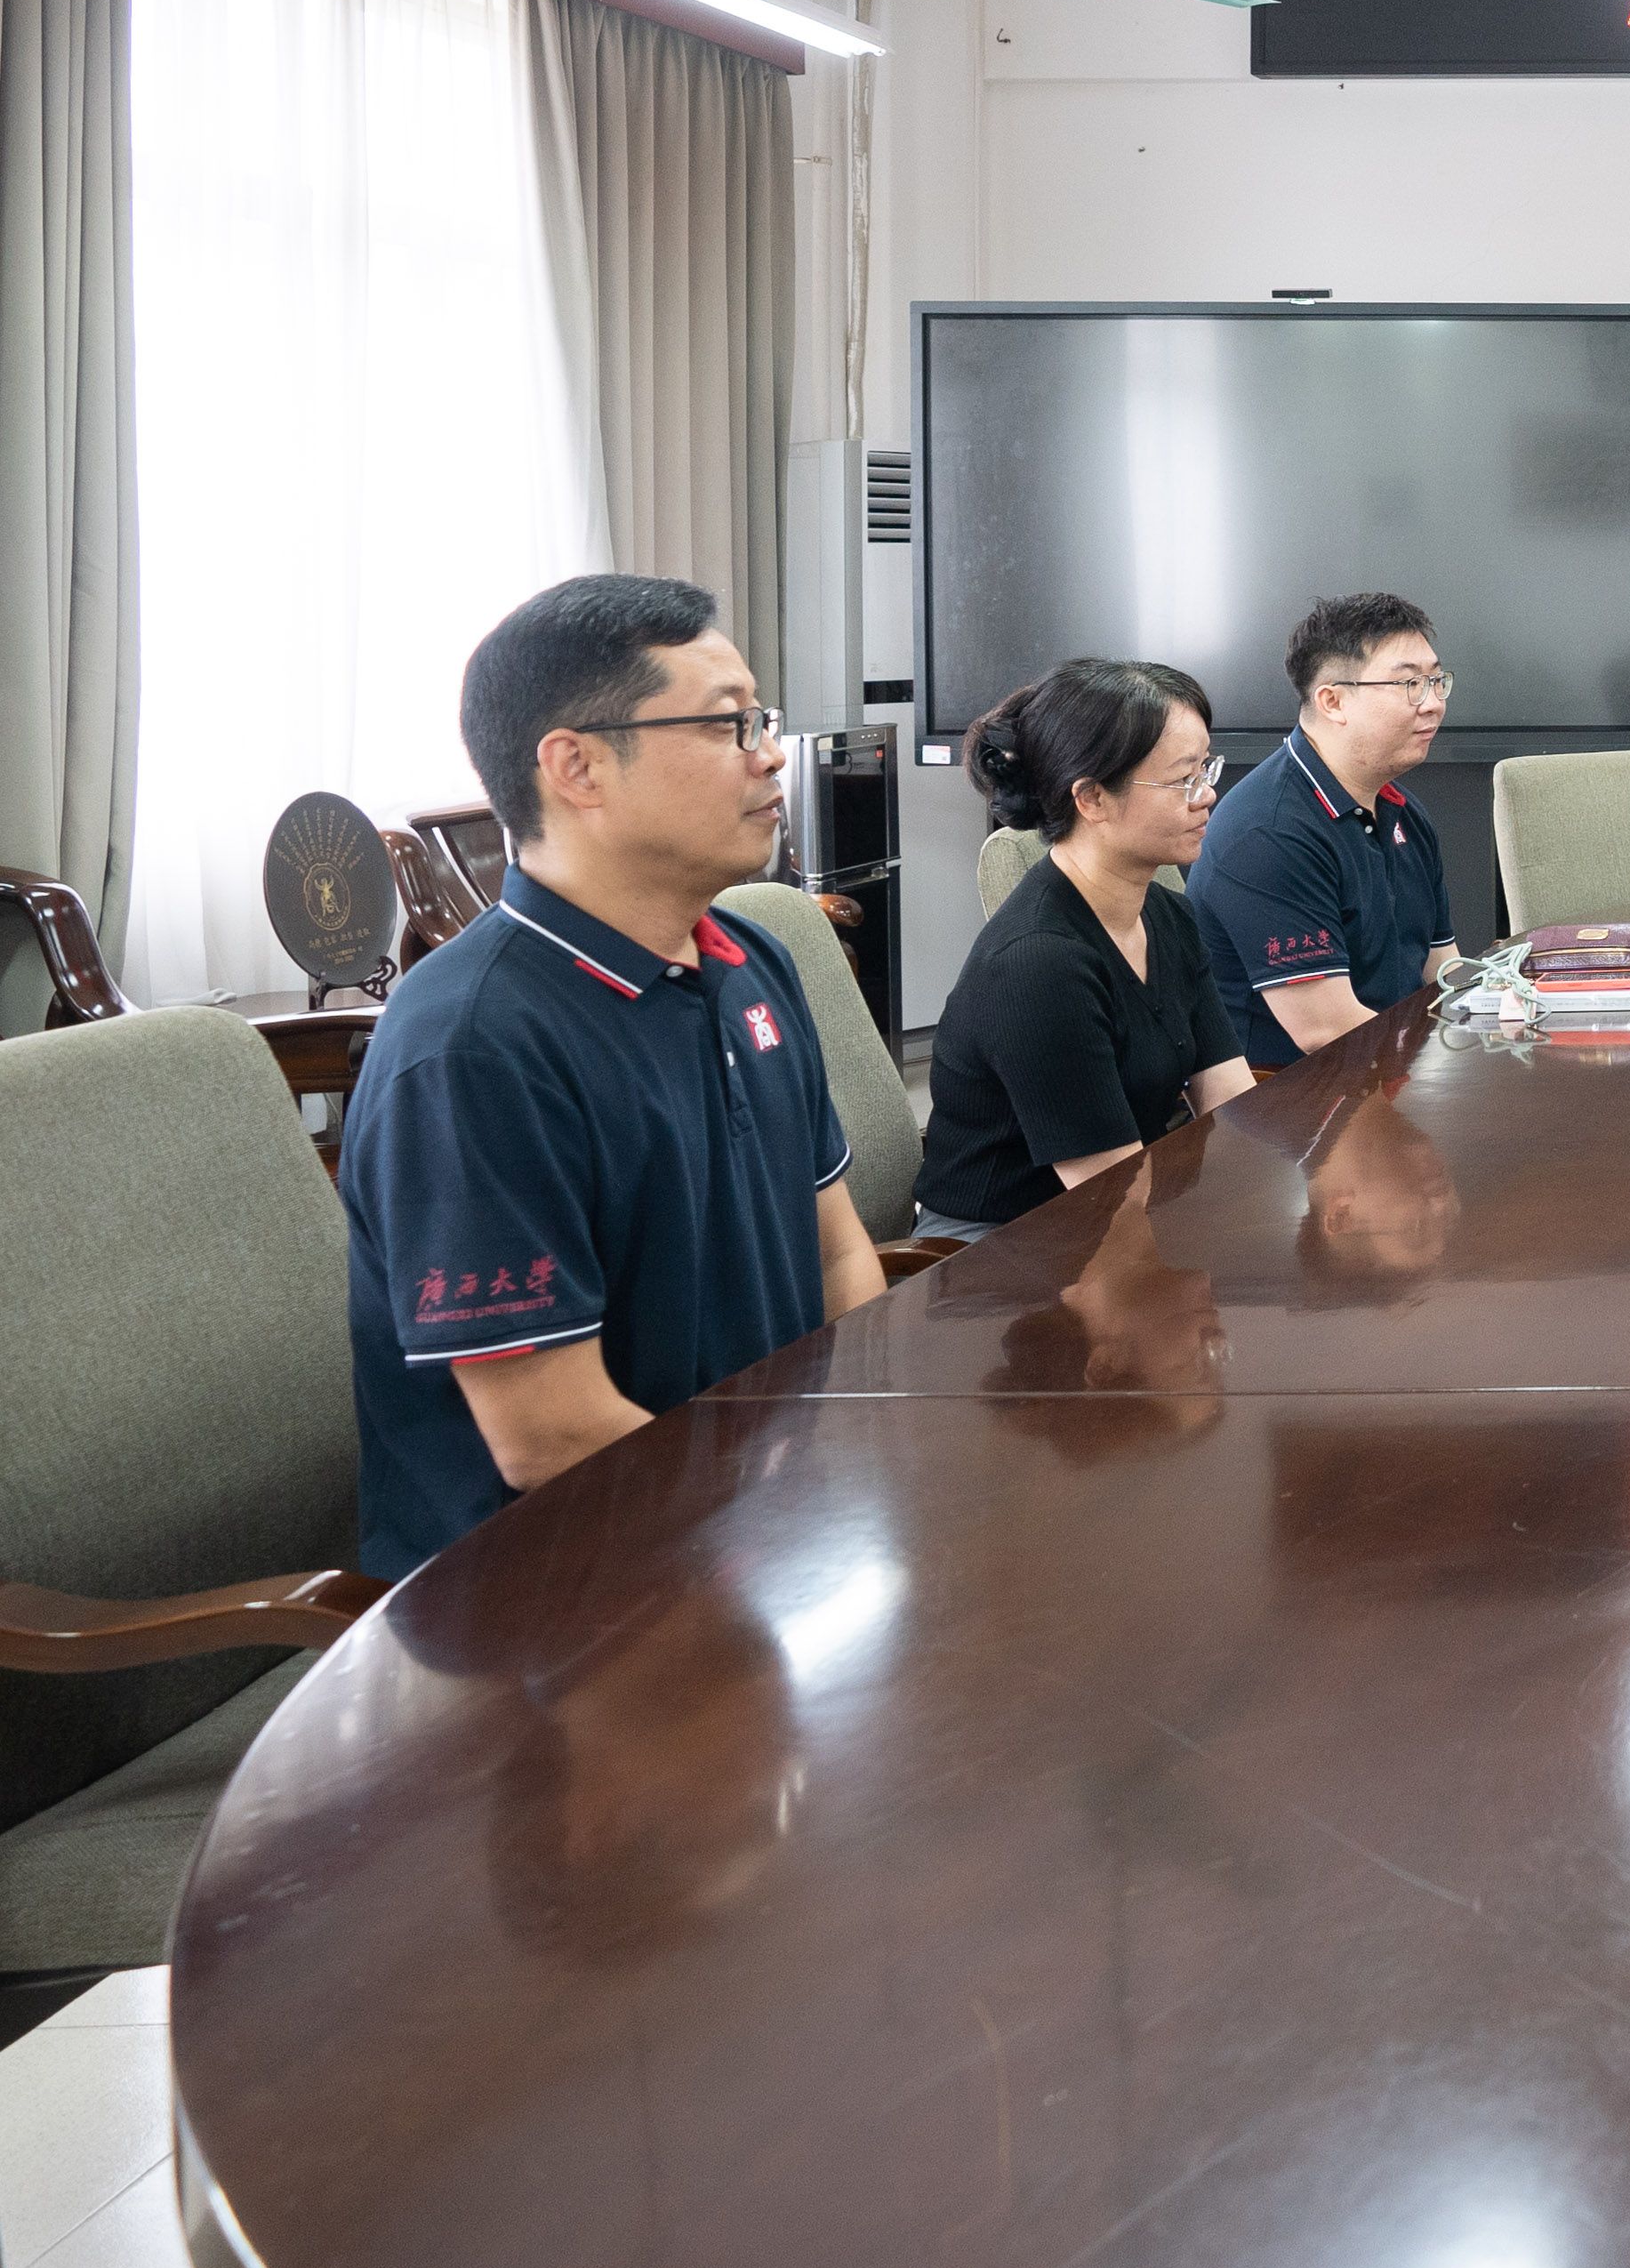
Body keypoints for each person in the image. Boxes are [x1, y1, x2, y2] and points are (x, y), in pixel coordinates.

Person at [340, 575, 885, 1579]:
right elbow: (547, 1435)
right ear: (577, 766)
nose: (770, 753)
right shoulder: (472, 1047)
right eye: (726, 724)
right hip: (553, 1590)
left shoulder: (751, 961)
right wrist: (783, 1525)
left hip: (753, 1526)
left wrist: (846, 1462)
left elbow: (840, 1249)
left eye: (760, 718)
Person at [911, 657, 1256, 1241]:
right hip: (998, 1249)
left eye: (1206, 768)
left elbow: (1232, 1107)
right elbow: (1113, 1202)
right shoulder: (1039, 963)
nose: (1207, 795)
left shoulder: (1167, 914)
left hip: (1114, 1210)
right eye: (1183, 779)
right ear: (1092, 798)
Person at [1192, 592, 1465, 1065]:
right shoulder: (1270, 833)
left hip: (1391, 1068)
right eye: (1409, 684)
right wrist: (1459, 1067)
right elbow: (1326, 1031)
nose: (1434, 704)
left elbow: (1445, 971)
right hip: (1290, 1090)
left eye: (1436, 681)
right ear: (1333, 701)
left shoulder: (1403, 811)